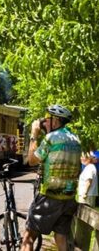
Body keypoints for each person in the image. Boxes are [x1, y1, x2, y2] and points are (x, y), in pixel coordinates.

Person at [21, 104, 81, 251]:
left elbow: (31, 160)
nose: (45, 121)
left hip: (50, 197)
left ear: (55, 121)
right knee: (61, 238)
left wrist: (34, 135)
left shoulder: (51, 139)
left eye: (48, 119)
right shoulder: (75, 139)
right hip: (68, 199)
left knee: (28, 238)